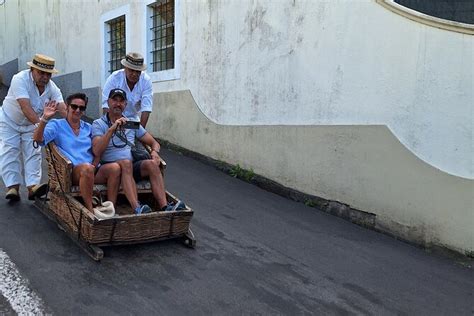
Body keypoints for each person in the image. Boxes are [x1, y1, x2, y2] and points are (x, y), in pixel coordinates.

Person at [92, 88, 185, 214]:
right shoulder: (99, 124)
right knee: (125, 163)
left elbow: (154, 143)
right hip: (109, 169)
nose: (118, 104)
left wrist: (155, 152)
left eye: (121, 101)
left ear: (125, 105)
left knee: (151, 164)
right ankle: (137, 207)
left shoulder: (131, 124)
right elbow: (97, 151)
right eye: (115, 100)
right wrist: (111, 129)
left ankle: (165, 206)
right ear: (108, 102)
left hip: (129, 168)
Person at [32, 92, 121, 212]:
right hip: (71, 172)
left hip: (92, 170)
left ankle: (111, 208)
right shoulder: (57, 125)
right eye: (74, 106)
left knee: (115, 168)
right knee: (86, 168)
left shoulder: (89, 127)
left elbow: (97, 149)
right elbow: (38, 139)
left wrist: (96, 161)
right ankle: (90, 212)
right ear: (67, 107)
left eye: (82, 108)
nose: (78, 110)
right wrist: (44, 119)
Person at [0, 54, 67, 202]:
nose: (44, 77)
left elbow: (62, 108)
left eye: (48, 74)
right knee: (10, 151)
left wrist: (75, 122)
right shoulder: (19, 79)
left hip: (31, 123)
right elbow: (25, 107)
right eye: (41, 72)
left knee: (34, 152)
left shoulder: (52, 87)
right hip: (10, 120)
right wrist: (41, 126)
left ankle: (33, 187)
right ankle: (13, 187)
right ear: (32, 70)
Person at [101, 52, 153, 127]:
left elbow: (146, 108)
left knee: (140, 136)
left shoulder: (146, 81)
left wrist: (141, 131)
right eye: (131, 70)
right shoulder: (114, 78)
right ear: (125, 68)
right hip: (113, 120)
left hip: (133, 121)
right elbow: (106, 105)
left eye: (138, 71)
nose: (134, 74)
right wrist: (110, 126)